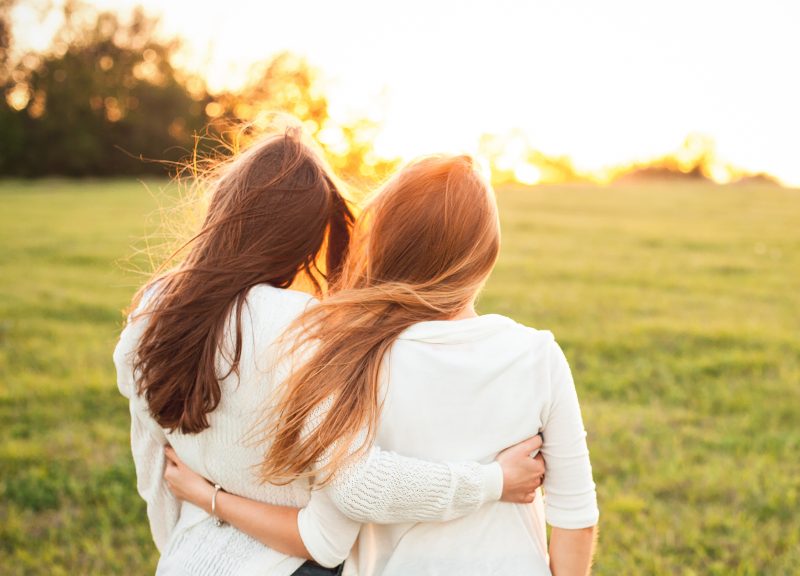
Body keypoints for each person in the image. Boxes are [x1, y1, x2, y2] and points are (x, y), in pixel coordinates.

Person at [115, 130, 545, 576]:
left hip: (184, 562)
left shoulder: (152, 312)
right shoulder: (307, 329)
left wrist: (198, 523)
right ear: (309, 237)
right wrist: (492, 481)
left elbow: (156, 478)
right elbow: (332, 529)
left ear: (224, 207)